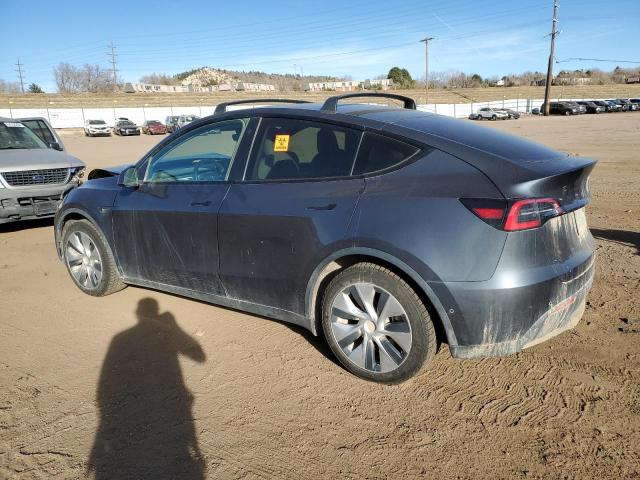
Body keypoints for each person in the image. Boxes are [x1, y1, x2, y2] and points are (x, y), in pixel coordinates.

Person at [89, 297, 206, 479]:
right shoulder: (159, 331)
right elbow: (199, 356)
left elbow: (104, 385)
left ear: (138, 314)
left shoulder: (119, 339)